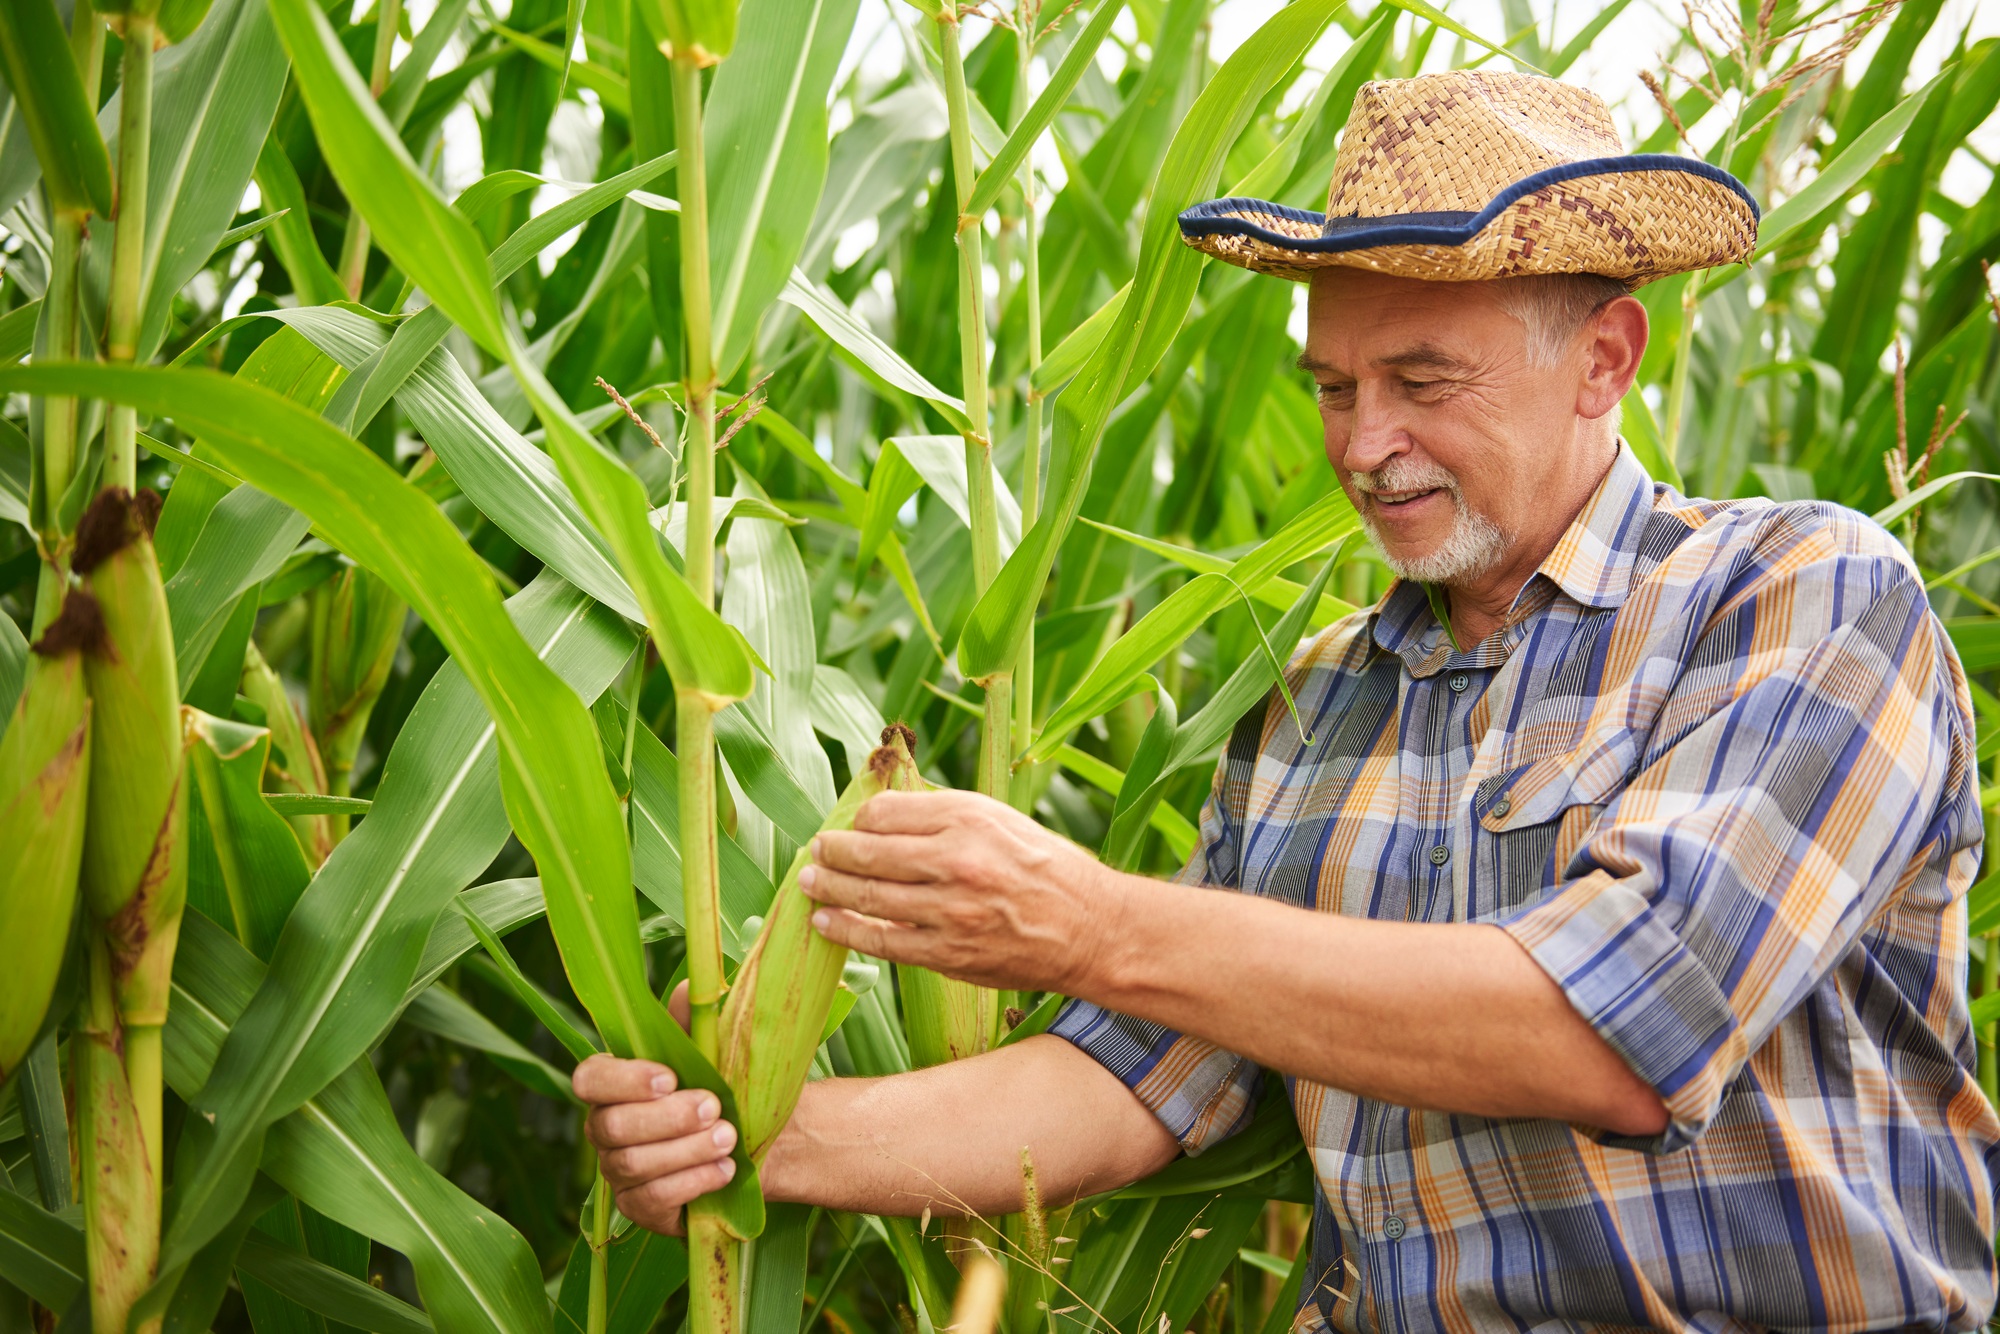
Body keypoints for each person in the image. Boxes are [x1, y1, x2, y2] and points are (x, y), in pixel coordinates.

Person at [574, 70, 2000, 1330]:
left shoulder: (1800, 601)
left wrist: (1090, 921)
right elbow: (1134, 1082)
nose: (1365, 445)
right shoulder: (1317, 704)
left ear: (1606, 359)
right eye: (1331, 386)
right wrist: (750, 1137)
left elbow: (1624, 1033)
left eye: (1421, 380)